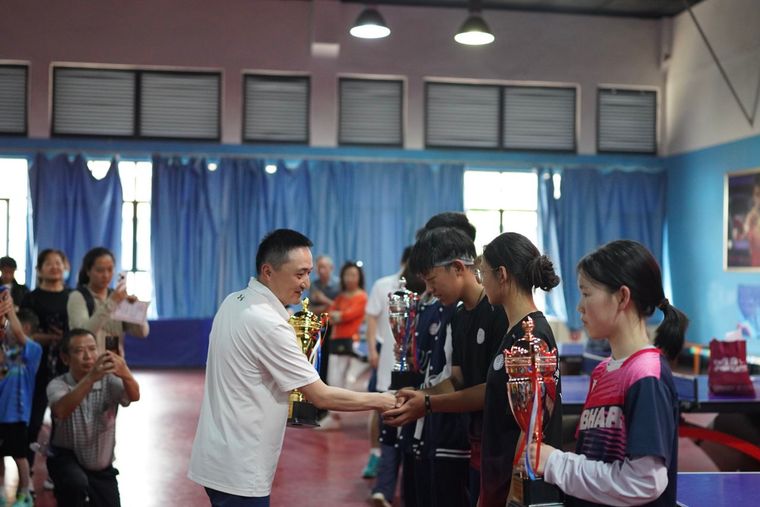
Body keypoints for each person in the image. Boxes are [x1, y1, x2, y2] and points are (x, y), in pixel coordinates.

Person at [187, 229, 395, 506]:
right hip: (242, 467)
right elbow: (321, 396)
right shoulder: (268, 323)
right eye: (300, 274)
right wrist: (383, 400)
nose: (306, 283)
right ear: (268, 271)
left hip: (215, 457)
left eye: (309, 273)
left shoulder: (232, 301)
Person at [527, 240, 688, 506]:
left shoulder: (646, 375)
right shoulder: (603, 371)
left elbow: (644, 481)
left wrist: (556, 463)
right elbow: (596, 460)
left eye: (586, 293)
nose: (579, 306)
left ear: (622, 297)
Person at [384, 226, 508, 506]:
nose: (429, 290)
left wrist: (428, 404)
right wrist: (419, 395)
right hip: (477, 445)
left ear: (457, 268)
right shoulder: (459, 316)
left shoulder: (498, 312)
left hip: (501, 448)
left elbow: (494, 390)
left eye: (432, 280)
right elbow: (457, 380)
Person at [478, 232, 563, 507]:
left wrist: (513, 490)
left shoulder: (531, 337)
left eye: (483, 273)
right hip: (499, 476)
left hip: (515, 484)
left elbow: (532, 425)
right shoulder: (514, 331)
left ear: (501, 274)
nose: (482, 281)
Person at [46, 328, 139, 507]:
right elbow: (61, 411)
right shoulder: (58, 384)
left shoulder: (109, 381)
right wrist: (91, 378)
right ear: (65, 358)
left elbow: (134, 396)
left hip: (101, 467)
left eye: (92, 348)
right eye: (79, 351)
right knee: (75, 483)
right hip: (67, 460)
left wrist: (125, 372)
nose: (88, 356)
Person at [20, 248, 71, 480]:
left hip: (65, 366)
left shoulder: (73, 296)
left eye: (58, 263)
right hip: (36, 367)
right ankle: (27, 472)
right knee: (33, 421)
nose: (55, 267)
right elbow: (24, 333)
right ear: (39, 269)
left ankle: (56, 474)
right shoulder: (31, 298)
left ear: (65, 267)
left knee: (63, 424)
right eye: (49, 263)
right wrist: (50, 338)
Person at [362, 247, 412, 482]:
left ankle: (393, 472)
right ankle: (375, 454)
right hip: (386, 356)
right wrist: (372, 349)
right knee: (380, 406)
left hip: (410, 361)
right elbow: (371, 319)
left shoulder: (421, 287)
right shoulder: (383, 285)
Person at [0, 293, 42, 507]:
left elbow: (16, 331)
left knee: (19, 456)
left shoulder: (33, 351)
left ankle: (25, 493)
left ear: (25, 328)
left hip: (16, 416)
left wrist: (9, 310)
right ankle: (1, 489)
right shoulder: (5, 351)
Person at [67, 247, 149, 355]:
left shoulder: (118, 297)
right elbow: (83, 334)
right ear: (88, 271)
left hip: (115, 361)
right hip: (90, 362)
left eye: (110, 270)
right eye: (100, 270)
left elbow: (142, 333)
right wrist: (112, 302)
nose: (106, 275)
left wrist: (135, 309)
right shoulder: (78, 296)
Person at [318, 261, 368, 430]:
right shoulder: (340, 297)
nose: (350, 278)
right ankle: (334, 416)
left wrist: (339, 315)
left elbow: (347, 315)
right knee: (333, 379)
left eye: (353, 275)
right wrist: (337, 315)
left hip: (352, 344)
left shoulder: (362, 297)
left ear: (359, 277)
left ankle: (338, 414)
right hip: (336, 341)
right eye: (347, 275)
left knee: (350, 381)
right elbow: (329, 316)